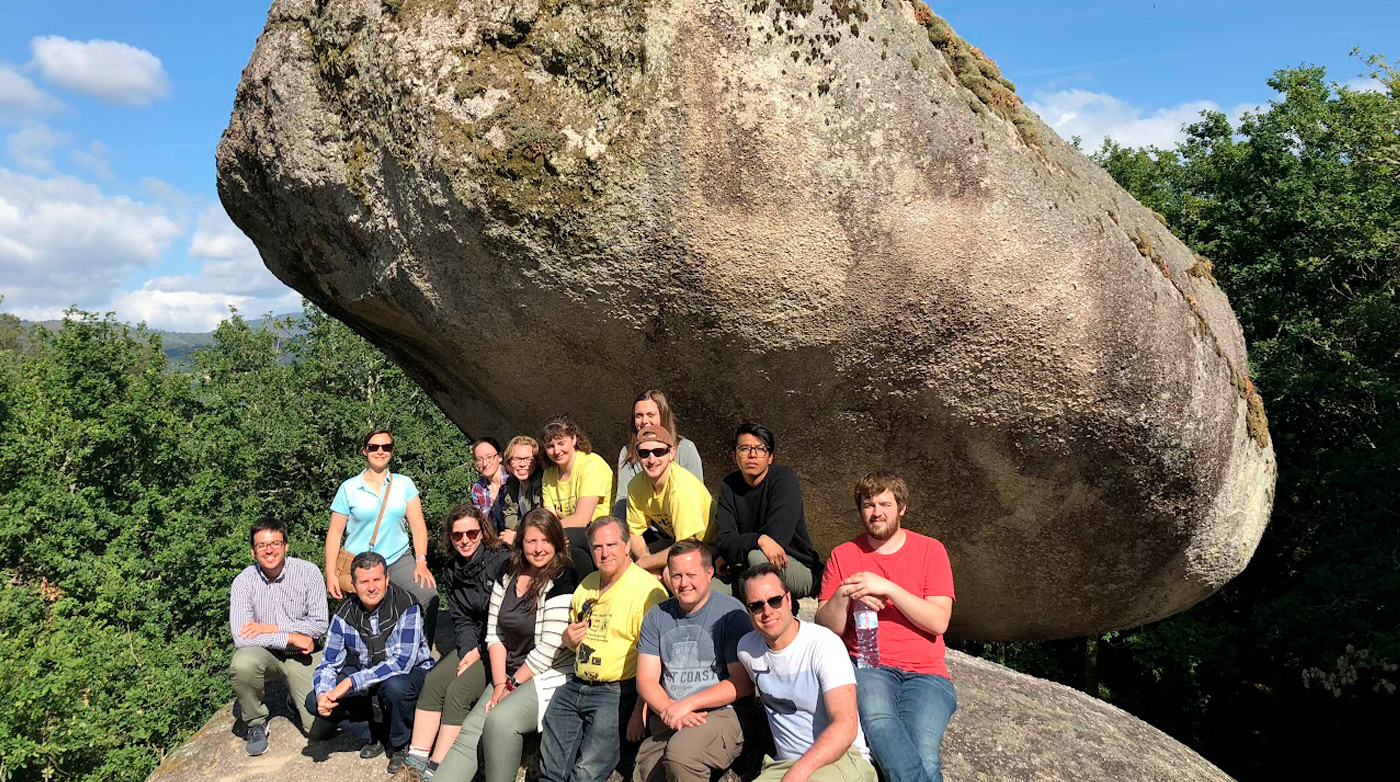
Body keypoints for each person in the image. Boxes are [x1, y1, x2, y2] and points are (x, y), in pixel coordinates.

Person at [814, 473, 956, 782]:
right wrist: (844, 595)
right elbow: (827, 627)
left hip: (927, 674)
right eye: (868, 505)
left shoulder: (931, 551)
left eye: (885, 504)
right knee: (880, 724)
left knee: (923, 749)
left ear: (901, 508)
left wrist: (888, 588)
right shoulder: (844, 555)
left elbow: (938, 621)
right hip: (869, 665)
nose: (876, 512)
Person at [434, 509, 580, 782]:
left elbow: (548, 651)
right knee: (470, 732)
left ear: (557, 542)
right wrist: (500, 684)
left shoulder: (563, 576)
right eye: (531, 541)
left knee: (500, 721)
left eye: (546, 541)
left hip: (548, 675)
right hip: (510, 672)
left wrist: (509, 687)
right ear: (520, 542)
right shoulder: (508, 571)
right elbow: (495, 633)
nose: (538, 549)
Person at [538, 517, 667, 782]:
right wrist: (568, 639)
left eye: (611, 544)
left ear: (627, 545)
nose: (604, 552)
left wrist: (640, 710)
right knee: (551, 769)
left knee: (586, 773)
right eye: (597, 547)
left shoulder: (649, 591)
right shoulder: (586, 584)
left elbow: (656, 657)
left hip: (618, 689)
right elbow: (574, 635)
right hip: (576, 684)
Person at [738, 564, 876, 782]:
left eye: (775, 600)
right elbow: (737, 686)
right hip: (783, 764)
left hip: (843, 759)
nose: (767, 612)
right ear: (748, 611)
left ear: (789, 600)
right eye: (756, 606)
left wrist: (799, 773)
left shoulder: (823, 644)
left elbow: (846, 724)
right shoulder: (747, 650)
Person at [635, 539, 753, 782]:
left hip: (720, 714)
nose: (683, 583)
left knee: (681, 755)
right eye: (676, 576)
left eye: (691, 574)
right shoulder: (657, 616)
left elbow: (741, 683)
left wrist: (687, 705)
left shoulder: (731, 614)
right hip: (670, 714)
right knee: (646, 773)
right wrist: (670, 708)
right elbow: (646, 680)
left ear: (709, 573)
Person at [405, 505, 510, 775]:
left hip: (502, 644)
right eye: (457, 535)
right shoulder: (452, 570)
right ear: (450, 538)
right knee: (435, 681)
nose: (465, 540)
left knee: (458, 692)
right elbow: (461, 617)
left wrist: (480, 650)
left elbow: (507, 618)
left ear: (482, 533)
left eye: (472, 533)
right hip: (474, 642)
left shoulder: (501, 562)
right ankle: (414, 764)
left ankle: (438, 767)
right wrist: (469, 650)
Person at [308, 551, 434, 773]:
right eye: (364, 582)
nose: (372, 587)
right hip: (370, 678)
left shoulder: (407, 606)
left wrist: (350, 682)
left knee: (395, 686)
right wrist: (323, 693)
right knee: (313, 700)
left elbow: (401, 663)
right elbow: (328, 663)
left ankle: (400, 745)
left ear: (387, 579)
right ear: (354, 585)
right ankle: (376, 733)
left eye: (377, 579)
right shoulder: (343, 615)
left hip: (411, 675)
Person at [326, 429, 439, 643]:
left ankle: (419, 656)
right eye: (374, 447)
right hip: (361, 564)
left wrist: (421, 561)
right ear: (364, 451)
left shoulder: (404, 484)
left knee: (427, 595)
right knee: (369, 619)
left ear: (392, 451)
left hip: (398, 558)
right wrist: (331, 573)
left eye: (386, 447)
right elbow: (334, 533)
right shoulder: (349, 488)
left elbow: (418, 525)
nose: (380, 451)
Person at [229, 516, 329, 756]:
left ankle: (293, 699)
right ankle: (255, 722)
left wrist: (269, 628)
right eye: (262, 545)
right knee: (243, 663)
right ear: (253, 551)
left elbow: (319, 625)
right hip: (267, 655)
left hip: (303, 655)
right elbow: (241, 637)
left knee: (320, 730)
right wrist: (290, 637)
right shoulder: (243, 582)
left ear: (286, 545)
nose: (269, 550)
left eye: (275, 543)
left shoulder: (308, 572)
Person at [714, 422, 821, 599]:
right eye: (744, 448)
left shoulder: (783, 479)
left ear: (770, 457)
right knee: (709, 590)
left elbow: (777, 538)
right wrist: (758, 539)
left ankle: (779, 603)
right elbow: (724, 541)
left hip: (795, 567)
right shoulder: (728, 485)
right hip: (747, 568)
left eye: (760, 449)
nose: (752, 455)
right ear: (734, 456)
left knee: (758, 558)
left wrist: (735, 551)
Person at [626, 426, 716, 577]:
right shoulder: (636, 486)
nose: (651, 459)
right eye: (644, 453)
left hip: (709, 546)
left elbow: (687, 545)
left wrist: (644, 564)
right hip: (678, 542)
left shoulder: (680, 486)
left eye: (659, 452)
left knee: (670, 574)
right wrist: (645, 560)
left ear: (672, 453)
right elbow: (634, 532)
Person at [540, 415, 612, 580]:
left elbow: (582, 519)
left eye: (561, 443)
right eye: (550, 446)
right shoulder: (549, 475)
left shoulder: (591, 464)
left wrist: (543, 532)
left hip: (599, 529)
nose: (556, 451)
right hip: (568, 533)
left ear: (573, 439)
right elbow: (549, 517)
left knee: (565, 542)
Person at [612, 390, 704, 520]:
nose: (644, 421)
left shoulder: (686, 449)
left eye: (650, 415)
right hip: (643, 523)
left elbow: (696, 495)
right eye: (639, 416)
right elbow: (623, 498)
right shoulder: (627, 453)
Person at [496, 434, 545, 546]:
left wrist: (517, 536)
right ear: (508, 463)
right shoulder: (512, 484)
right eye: (517, 459)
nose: (522, 464)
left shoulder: (542, 484)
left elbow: (540, 521)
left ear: (536, 461)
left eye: (528, 459)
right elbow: (508, 515)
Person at [470, 437, 508, 523]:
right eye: (479, 459)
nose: (485, 464)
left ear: (500, 457)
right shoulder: (478, 488)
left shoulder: (513, 480)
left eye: (489, 457)